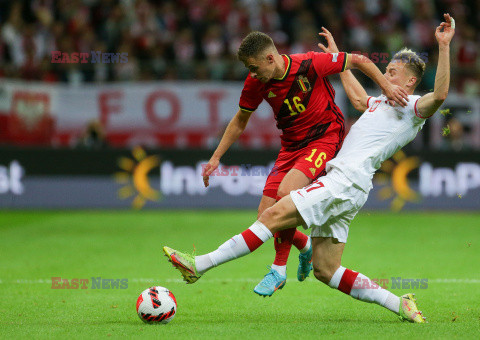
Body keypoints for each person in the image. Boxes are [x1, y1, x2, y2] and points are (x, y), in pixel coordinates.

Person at [164, 13, 455, 322]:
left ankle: (201, 265)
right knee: (325, 271)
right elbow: (357, 97)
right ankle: (400, 304)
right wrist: (336, 56)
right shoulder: (379, 104)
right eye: (386, 69)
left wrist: (444, 46)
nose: (386, 73)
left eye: (392, 71)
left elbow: (439, 96)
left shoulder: (412, 108)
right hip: (349, 186)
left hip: (345, 181)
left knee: (274, 211)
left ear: (410, 81)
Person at [201, 30, 409, 296]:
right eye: (247, 69)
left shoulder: (308, 64)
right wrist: (217, 156)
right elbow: (241, 119)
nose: (251, 74)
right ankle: (306, 247)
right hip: (290, 147)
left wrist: (387, 86)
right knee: (265, 216)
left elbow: (358, 60)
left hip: (324, 137)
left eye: (253, 68)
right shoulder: (256, 83)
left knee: (286, 193)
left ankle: (278, 270)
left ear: (269, 58)